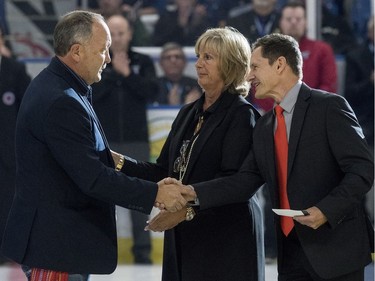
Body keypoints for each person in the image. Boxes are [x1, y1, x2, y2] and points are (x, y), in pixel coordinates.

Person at [0, 10, 195, 281]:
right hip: (56, 248)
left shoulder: (65, 88)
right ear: (77, 51)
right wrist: (155, 195)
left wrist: (149, 176)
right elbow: (93, 179)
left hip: (64, 245)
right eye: (103, 50)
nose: (109, 58)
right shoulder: (61, 101)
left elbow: (99, 160)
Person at [192, 33, 374, 280]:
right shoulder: (264, 125)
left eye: (255, 67)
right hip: (291, 257)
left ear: (279, 64)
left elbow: (363, 169)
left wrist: (325, 211)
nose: (249, 76)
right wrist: (191, 194)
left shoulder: (329, 107)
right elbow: (245, 180)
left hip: (336, 253)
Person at [114, 27, 264, 281]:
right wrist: (119, 162)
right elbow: (163, 171)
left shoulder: (241, 115)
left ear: (230, 63)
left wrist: (185, 208)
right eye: (198, 56)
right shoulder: (188, 113)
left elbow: (235, 184)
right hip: (185, 234)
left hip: (225, 239)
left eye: (208, 57)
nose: (198, 64)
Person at [91, 13, 158, 264]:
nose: (117, 38)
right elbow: (92, 95)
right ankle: (99, 249)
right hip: (104, 142)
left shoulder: (142, 61)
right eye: (113, 33)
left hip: (136, 140)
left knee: (140, 196)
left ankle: (143, 252)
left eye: (121, 33)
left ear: (130, 34)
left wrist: (128, 74)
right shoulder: (97, 61)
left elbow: (152, 92)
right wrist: (116, 74)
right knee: (100, 197)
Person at [0, 23, 31, 265]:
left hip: (9, 155)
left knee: (8, 202)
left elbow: (28, 111)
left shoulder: (15, 71)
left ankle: (8, 250)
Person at [279, 1, 337, 93]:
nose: (293, 22)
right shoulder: (269, 52)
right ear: (281, 22)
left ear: (306, 22)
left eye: (298, 19)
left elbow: (329, 86)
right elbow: (262, 88)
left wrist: (308, 104)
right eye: (289, 19)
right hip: (277, 106)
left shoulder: (322, 50)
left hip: (314, 105)